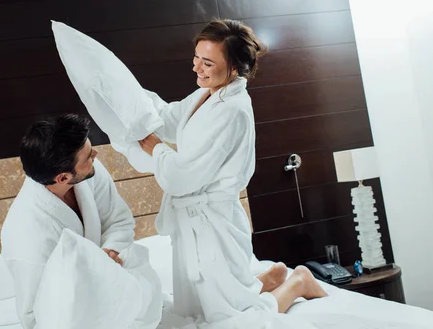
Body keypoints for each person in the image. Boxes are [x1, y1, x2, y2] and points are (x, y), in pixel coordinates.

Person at [138, 19, 327, 324]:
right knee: (200, 308)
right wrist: (130, 99)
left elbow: (183, 177)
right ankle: (270, 277)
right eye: (197, 58)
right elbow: (170, 118)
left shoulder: (232, 110)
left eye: (208, 63)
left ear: (235, 68)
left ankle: (297, 282)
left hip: (214, 223)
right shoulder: (207, 93)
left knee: (230, 320)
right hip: (197, 223)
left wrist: (156, 149)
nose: (197, 68)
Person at [1, 114, 136, 329]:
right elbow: (35, 314)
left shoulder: (89, 172)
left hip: (106, 287)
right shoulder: (27, 233)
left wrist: (109, 251)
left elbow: (118, 220)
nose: (96, 155)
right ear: (63, 178)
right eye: (89, 156)